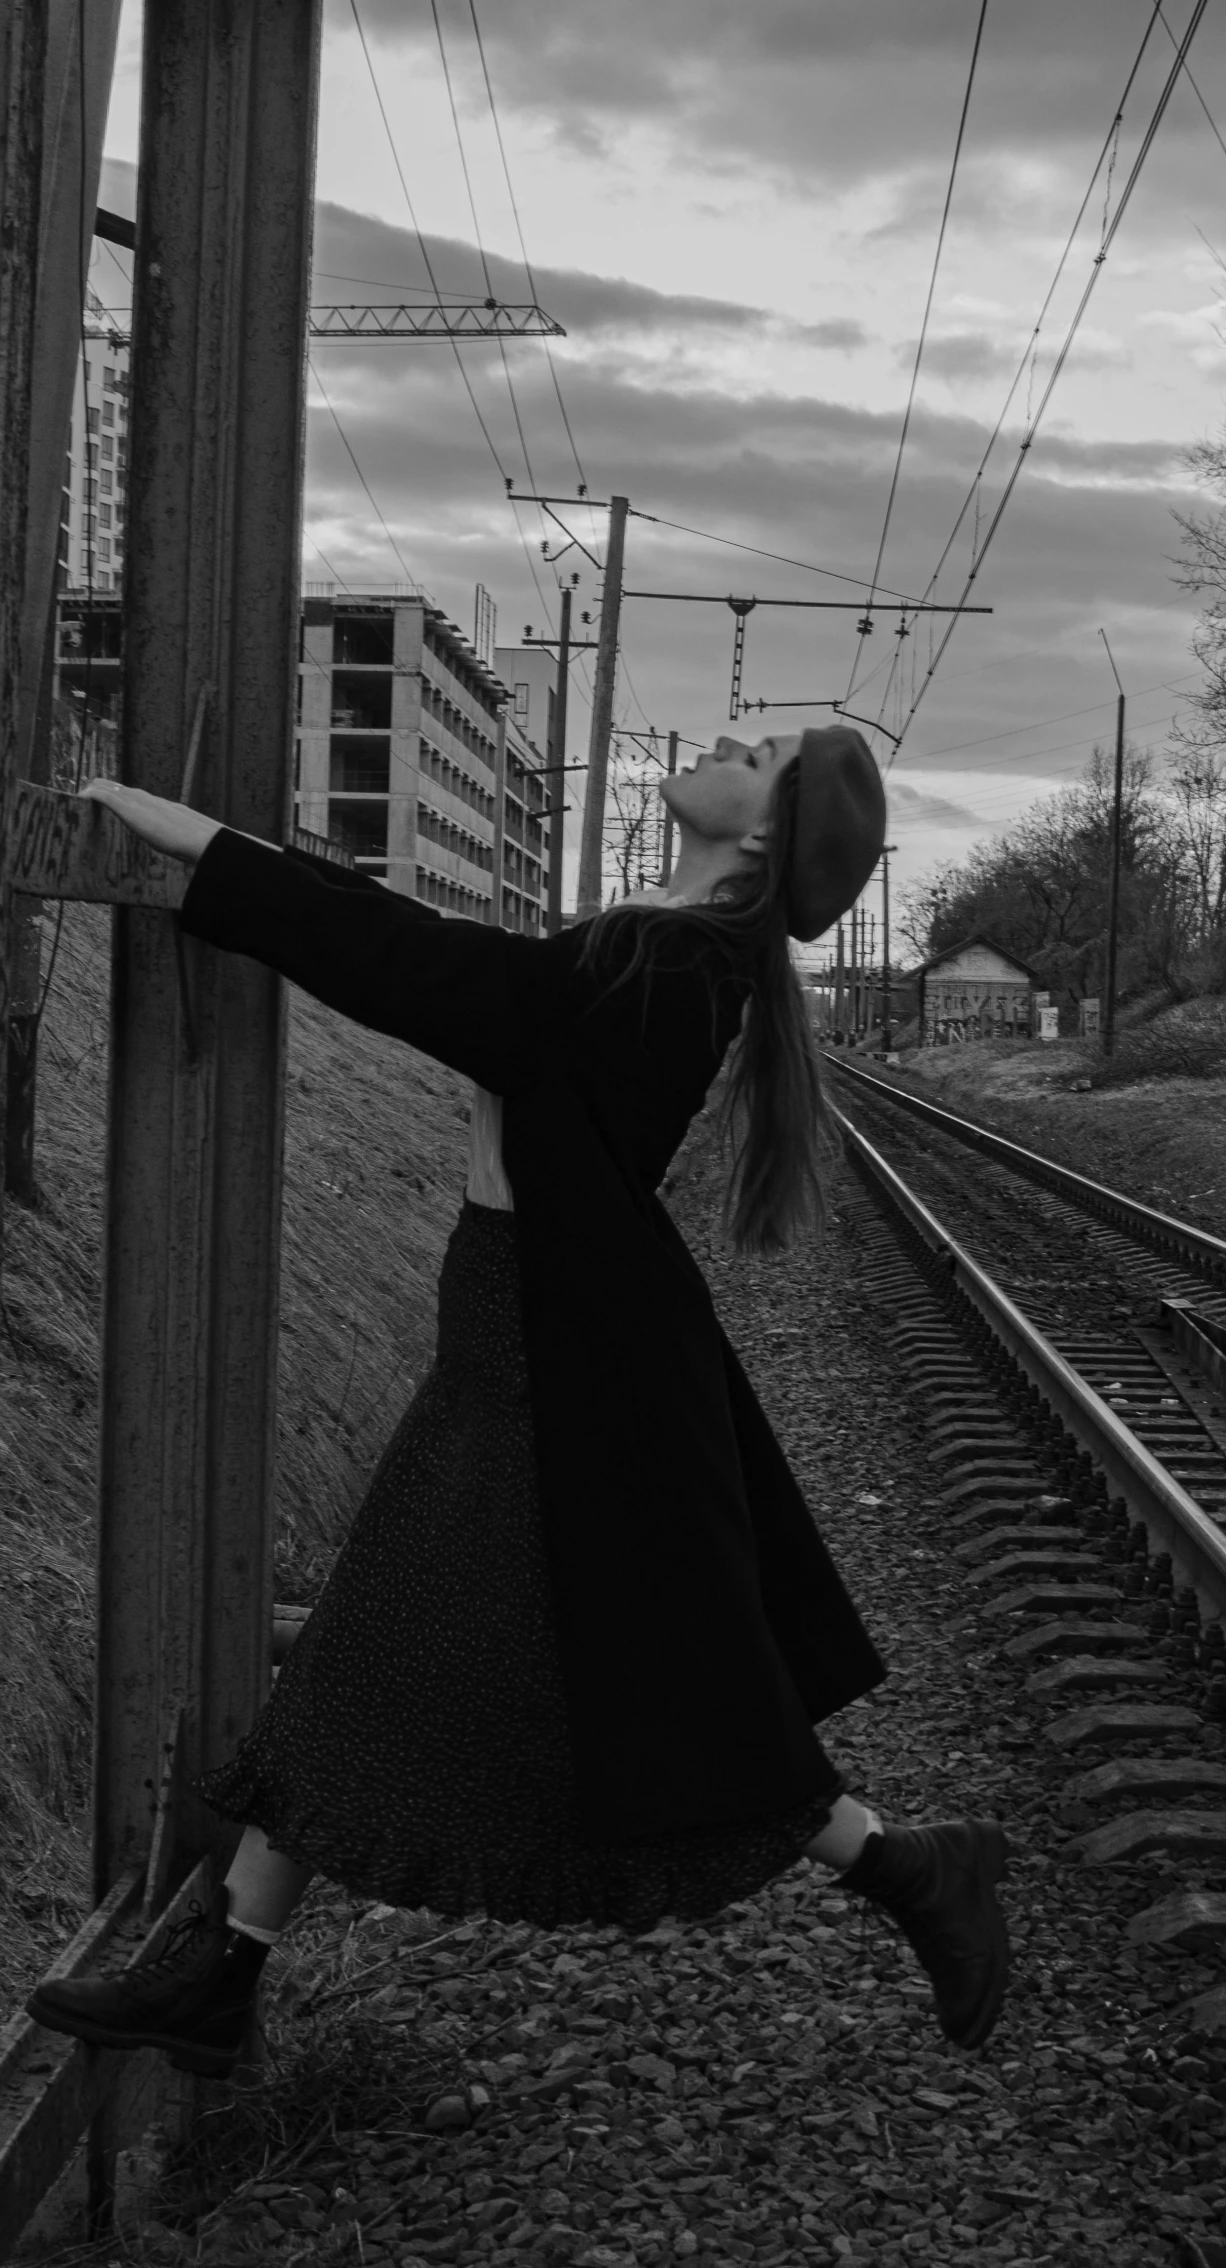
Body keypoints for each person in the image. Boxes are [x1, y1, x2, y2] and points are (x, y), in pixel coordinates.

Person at [29, 725, 1011, 2083]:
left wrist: (192, 844)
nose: (732, 735)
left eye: (763, 747)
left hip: (563, 1340)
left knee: (526, 1656)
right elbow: (427, 944)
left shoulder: (674, 963)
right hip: (531, 1312)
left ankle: (222, 1971)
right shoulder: (665, 942)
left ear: (768, 830)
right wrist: (208, 843)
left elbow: (423, 971)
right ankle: (910, 1870)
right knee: (529, 1651)